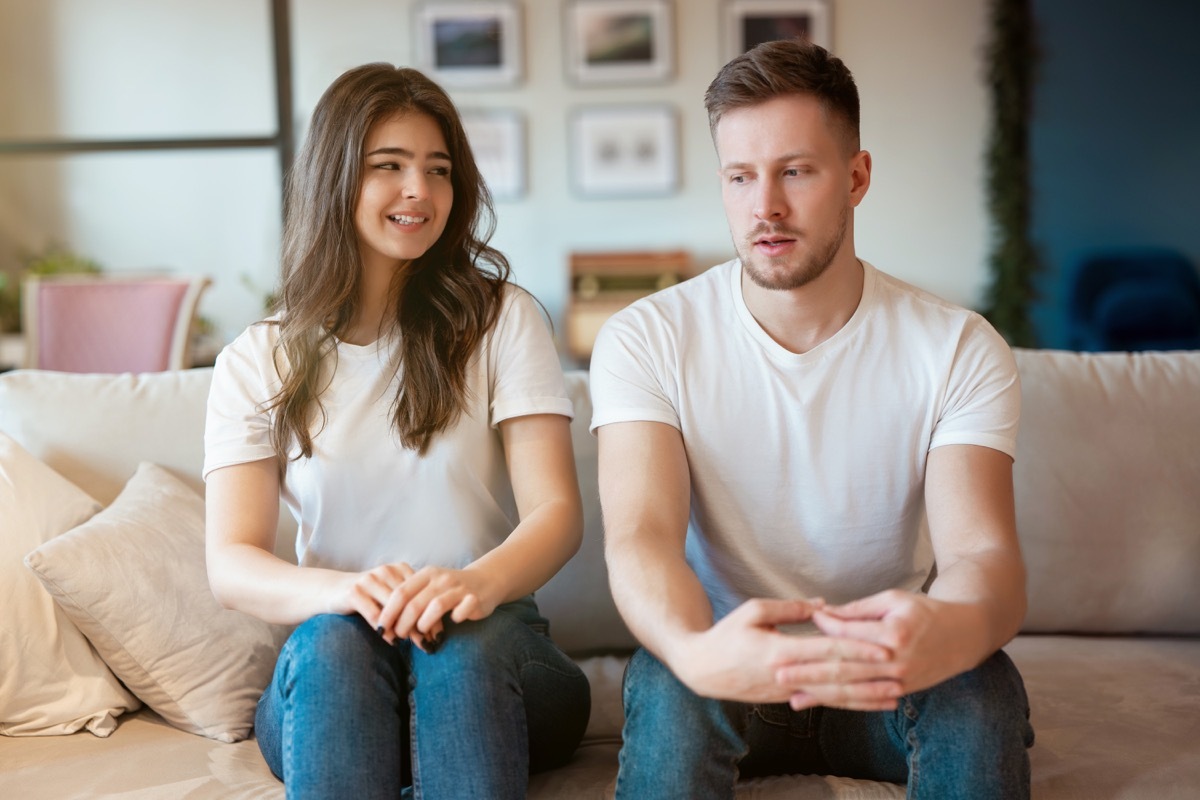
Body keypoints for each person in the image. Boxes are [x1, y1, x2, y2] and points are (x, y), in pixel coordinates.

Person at [589, 39, 1035, 799]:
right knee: (670, 683)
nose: (765, 206)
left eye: (795, 171)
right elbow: (641, 538)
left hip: (884, 670)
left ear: (856, 177)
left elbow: (983, 555)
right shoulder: (647, 337)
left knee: (980, 684)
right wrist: (697, 655)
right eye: (740, 177)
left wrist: (949, 631)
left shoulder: (957, 346)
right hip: (730, 660)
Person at [203, 63, 591, 800]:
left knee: (464, 649)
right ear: (335, 177)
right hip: (338, 677)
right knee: (330, 645)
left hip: (497, 654)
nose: (420, 189)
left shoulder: (502, 320)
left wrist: (473, 586)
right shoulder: (258, 358)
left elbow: (557, 515)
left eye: (438, 169)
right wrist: (346, 591)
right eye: (390, 166)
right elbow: (231, 563)